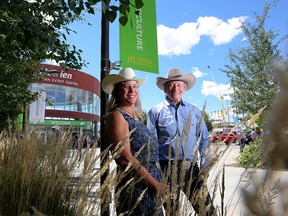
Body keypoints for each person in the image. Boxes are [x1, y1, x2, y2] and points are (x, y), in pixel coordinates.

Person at [147, 68, 215, 215]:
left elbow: (203, 139)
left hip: (191, 168)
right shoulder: (155, 112)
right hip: (166, 169)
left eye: (179, 85)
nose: (175, 88)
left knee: (207, 210)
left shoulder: (194, 111)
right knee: (173, 212)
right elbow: (151, 144)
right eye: (171, 85)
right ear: (165, 88)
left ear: (184, 88)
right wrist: (155, 172)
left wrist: (205, 165)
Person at [102, 67, 168, 216]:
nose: (132, 91)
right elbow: (125, 159)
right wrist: (156, 185)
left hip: (151, 185)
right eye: (126, 87)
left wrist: (159, 180)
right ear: (117, 91)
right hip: (136, 187)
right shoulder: (117, 116)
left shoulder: (138, 117)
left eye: (135, 86)